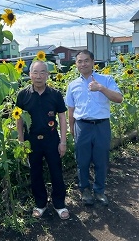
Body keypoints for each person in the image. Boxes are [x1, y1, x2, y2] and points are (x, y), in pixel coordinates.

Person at [65, 50, 123, 206]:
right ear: (76, 64)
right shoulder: (72, 85)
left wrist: (101, 88)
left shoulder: (106, 79)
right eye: (79, 61)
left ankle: (99, 191)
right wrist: (72, 129)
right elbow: (71, 110)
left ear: (93, 62)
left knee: (101, 160)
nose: (83, 64)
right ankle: (84, 190)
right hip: (82, 126)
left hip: (101, 126)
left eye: (86, 60)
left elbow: (119, 99)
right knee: (82, 161)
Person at [16, 60, 69, 220]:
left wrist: (63, 141)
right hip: (32, 141)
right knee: (35, 173)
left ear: (47, 75)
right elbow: (18, 119)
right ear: (29, 74)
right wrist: (21, 141)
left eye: (42, 72)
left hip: (52, 140)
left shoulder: (55, 94)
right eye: (35, 72)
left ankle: (59, 204)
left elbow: (62, 118)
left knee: (56, 173)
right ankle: (41, 204)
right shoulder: (23, 95)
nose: (38, 76)